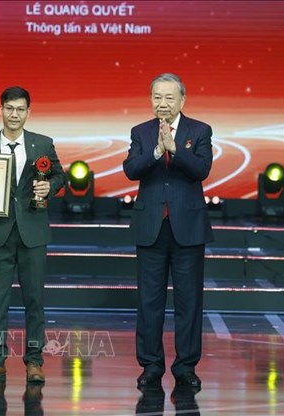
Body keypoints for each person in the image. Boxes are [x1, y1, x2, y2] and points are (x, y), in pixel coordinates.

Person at [123, 73, 214, 389]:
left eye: (169, 97)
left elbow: (202, 169)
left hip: (188, 228)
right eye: (157, 97)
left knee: (189, 302)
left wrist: (175, 149)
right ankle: (150, 365)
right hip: (151, 227)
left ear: (182, 100)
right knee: (149, 302)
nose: (162, 103)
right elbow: (131, 169)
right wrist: (155, 152)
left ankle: (186, 367)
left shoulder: (199, 131)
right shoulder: (141, 132)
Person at [0, 86, 66, 383]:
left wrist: (49, 187)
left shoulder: (43, 143)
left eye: (20, 109)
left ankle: (34, 361)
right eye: (9, 108)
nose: (14, 114)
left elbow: (59, 175)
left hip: (33, 232)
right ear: (0, 109)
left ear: (28, 112)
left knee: (35, 300)